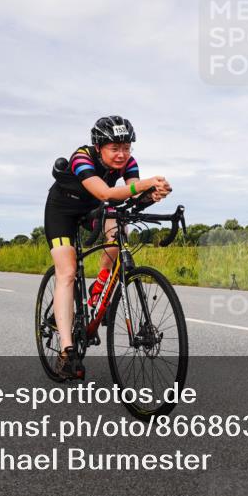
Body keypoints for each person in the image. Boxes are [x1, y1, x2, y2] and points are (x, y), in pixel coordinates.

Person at [44, 116, 171, 380]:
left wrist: (153, 195)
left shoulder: (129, 163)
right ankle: (67, 352)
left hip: (95, 209)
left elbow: (131, 194)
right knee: (67, 272)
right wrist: (145, 184)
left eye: (126, 148)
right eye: (115, 148)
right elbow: (104, 192)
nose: (122, 155)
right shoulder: (81, 157)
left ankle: (101, 286)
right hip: (63, 211)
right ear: (99, 146)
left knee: (119, 232)